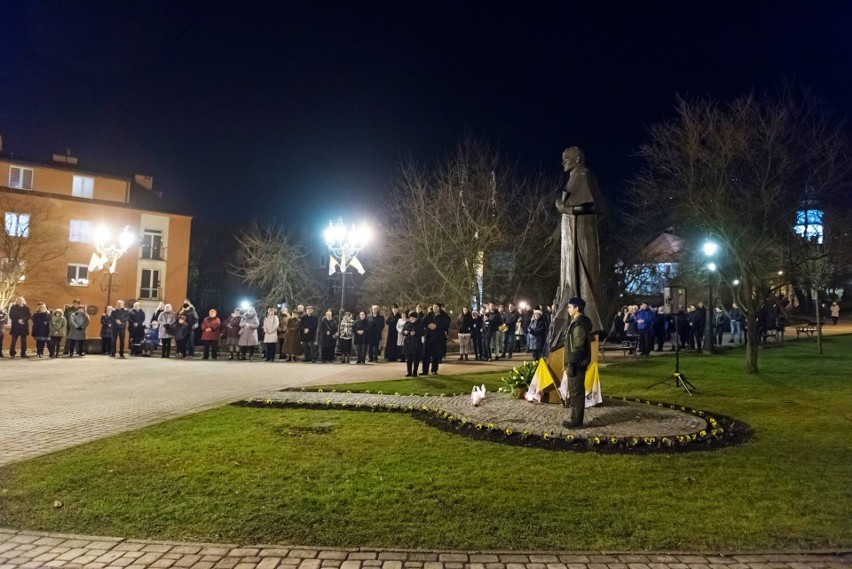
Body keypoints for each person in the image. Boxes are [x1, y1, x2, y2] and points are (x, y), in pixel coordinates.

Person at [562, 297, 592, 429]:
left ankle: (576, 421)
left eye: (570, 307)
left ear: (577, 308)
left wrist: (572, 363)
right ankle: (575, 418)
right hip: (576, 363)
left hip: (577, 364)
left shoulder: (579, 325)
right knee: (575, 391)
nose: (568, 309)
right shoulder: (576, 323)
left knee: (576, 392)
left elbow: (577, 346)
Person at [422, 303, 451, 375]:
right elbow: (423, 322)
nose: (434, 308)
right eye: (433, 307)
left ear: (439, 308)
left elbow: (446, 324)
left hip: (438, 337)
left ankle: (434, 370)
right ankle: (424, 371)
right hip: (428, 336)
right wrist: (428, 325)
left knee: (435, 354)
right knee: (426, 354)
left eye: (436, 307)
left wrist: (436, 326)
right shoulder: (429, 314)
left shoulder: (444, 316)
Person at [402, 311, 425, 377]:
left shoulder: (419, 323)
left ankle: (415, 371)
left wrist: (416, 333)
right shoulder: (407, 323)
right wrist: (405, 332)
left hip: (416, 342)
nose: (411, 318)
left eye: (412, 317)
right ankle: (409, 371)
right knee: (408, 359)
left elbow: (423, 332)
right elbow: (403, 331)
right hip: (408, 342)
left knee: (415, 358)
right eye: (410, 317)